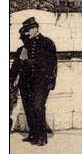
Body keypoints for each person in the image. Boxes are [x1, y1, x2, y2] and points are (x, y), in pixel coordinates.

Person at [11, 17, 58, 146]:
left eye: (28, 30)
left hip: (40, 83)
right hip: (26, 83)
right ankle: (33, 134)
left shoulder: (47, 43)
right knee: (28, 108)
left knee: (38, 107)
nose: (27, 33)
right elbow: (17, 65)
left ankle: (42, 136)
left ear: (35, 28)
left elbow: (52, 64)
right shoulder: (25, 46)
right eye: (25, 31)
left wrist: (51, 81)